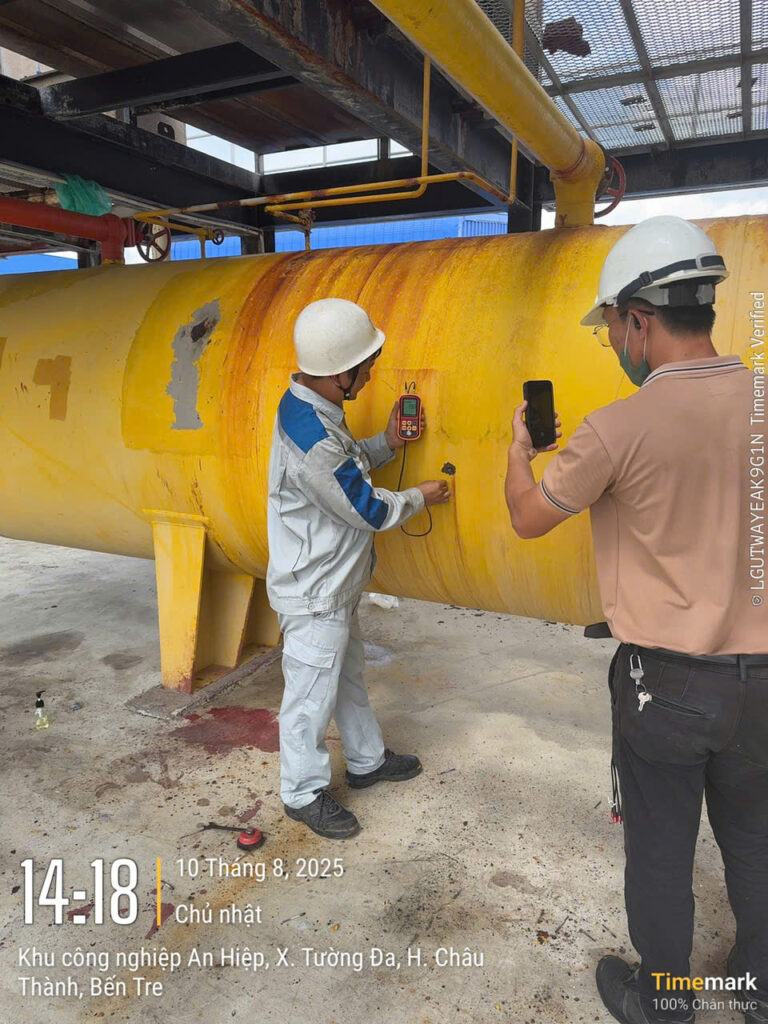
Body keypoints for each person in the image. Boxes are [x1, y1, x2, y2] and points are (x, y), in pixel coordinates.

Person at [504, 215, 768, 1024]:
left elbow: (527, 518)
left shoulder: (617, 428)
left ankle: (668, 1000)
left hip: (668, 686)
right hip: (763, 684)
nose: (614, 342)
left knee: (660, 849)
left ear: (640, 320)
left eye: (612, 327)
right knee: (756, 838)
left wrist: (517, 454)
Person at [266, 297, 450, 840]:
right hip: (315, 591)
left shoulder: (309, 408)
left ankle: (367, 761)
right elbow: (365, 506)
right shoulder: (314, 438)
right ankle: (302, 793)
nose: (369, 376)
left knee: (346, 679)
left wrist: (387, 443)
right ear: (337, 373)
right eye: (364, 367)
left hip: (334, 584)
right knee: (309, 699)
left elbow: (343, 469)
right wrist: (420, 496)